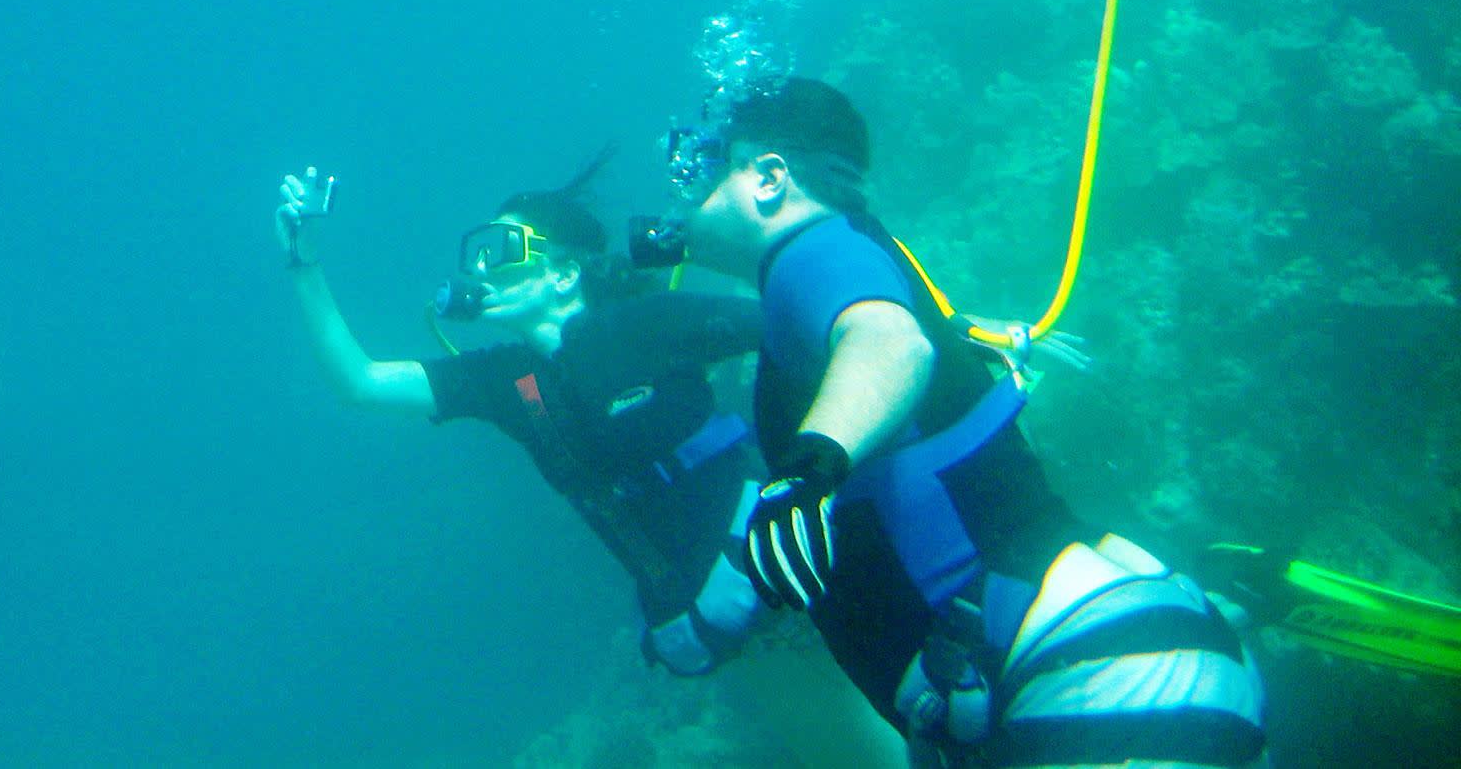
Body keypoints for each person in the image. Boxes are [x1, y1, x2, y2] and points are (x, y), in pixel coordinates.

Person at [672, 76, 1267, 765]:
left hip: (1089, 681)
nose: (686, 189)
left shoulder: (804, 254)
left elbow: (892, 343)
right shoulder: (847, 249)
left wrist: (807, 471)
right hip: (1126, 661)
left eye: (708, 165)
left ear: (769, 177)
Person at [273, 156, 771, 677]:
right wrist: (303, 262)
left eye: (503, 250)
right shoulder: (507, 382)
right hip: (691, 622)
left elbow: (799, 320)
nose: (481, 269)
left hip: (774, 558)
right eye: (478, 254)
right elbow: (361, 382)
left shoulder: (647, 324)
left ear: (563, 275)